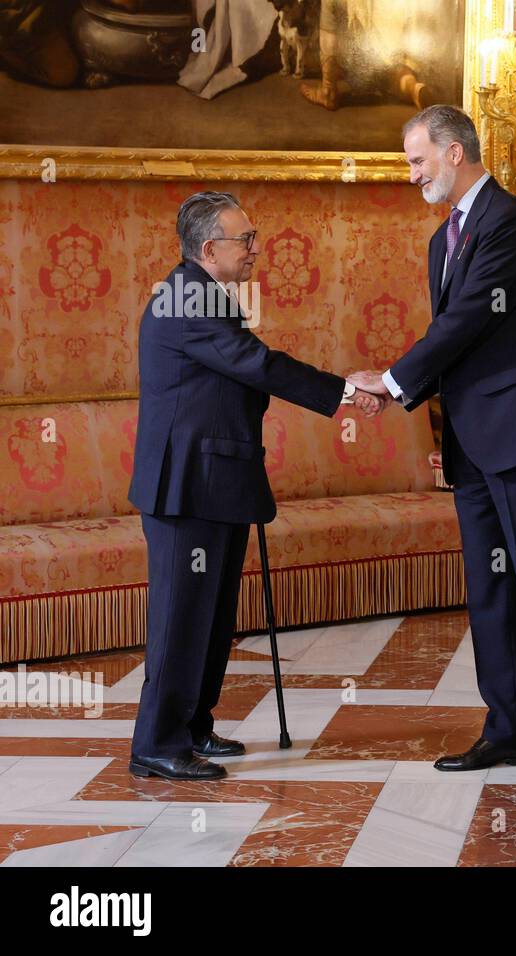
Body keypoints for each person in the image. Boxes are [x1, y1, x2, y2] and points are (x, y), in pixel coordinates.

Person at [347, 105, 516, 789]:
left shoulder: (510, 222)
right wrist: (398, 386)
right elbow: (458, 335)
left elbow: (470, 318)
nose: (413, 174)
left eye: (418, 160)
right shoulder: (440, 241)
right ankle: (507, 730)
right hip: (471, 443)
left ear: (455, 152)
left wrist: (390, 382)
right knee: (491, 589)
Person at [128, 191, 382, 781]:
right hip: (186, 486)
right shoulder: (187, 296)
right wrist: (342, 390)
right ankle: (156, 744)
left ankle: (192, 727)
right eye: (246, 239)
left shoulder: (206, 292)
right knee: (180, 617)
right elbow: (256, 364)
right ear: (209, 247)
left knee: (212, 616)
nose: (256, 249)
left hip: (217, 481)